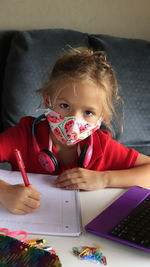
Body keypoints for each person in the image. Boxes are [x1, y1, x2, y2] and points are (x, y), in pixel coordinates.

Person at [0, 47, 150, 215]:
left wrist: (104, 179)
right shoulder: (23, 135)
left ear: (103, 117)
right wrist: (3, 192)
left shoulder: (103, 147)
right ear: (48, 101)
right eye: (65, 106)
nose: (73, 121)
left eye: (88, 112)